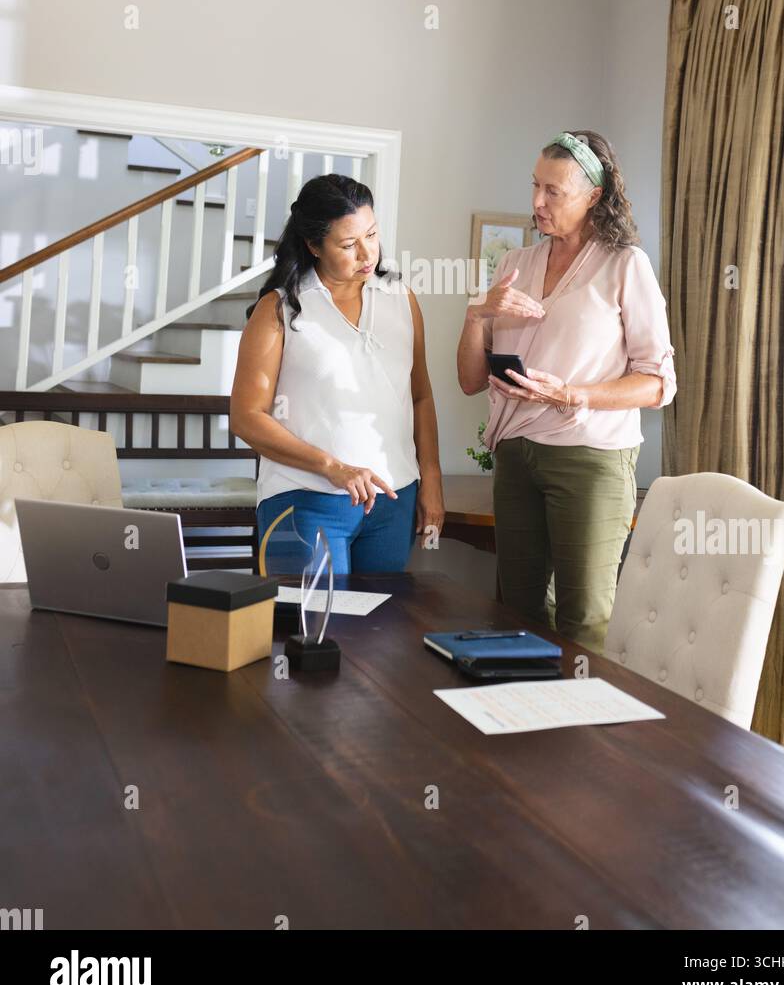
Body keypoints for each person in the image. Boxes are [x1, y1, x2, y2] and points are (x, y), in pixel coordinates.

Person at [457, 130, 676, 653]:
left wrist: (574, 395)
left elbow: (658, 383)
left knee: (584, 617)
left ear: (594, 196)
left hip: (590, 458)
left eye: (553, 191)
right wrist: (476, 314)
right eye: (535, 186)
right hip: (514, 456)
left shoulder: (626, 266)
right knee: (517, 612)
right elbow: (468, 380)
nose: (537, 202)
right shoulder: (514, 265)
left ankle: (584, 731)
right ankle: (521, 726)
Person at [231, 173, 445, 575]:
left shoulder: (402, 300)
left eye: (372, 235)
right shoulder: (279, 311)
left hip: (392, 502)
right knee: (308, 632)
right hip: (307, 499)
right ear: (313, 246)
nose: (367, 254)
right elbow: (247, 417)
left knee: (381, 634)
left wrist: (430, 476)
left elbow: (420, 396)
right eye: (348, 245)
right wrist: (333, 467)